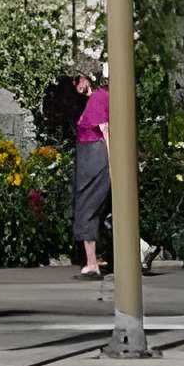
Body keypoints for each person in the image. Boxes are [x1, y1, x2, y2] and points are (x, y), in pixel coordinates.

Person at [71, 59, 110, 277]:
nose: (75, 84)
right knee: (96, 208)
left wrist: (112, 163)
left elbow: (105, 131)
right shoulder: (101, 96)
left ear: (88, 78)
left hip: (94, 159)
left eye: (78, 78)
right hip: (92, 158)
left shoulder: (97, 97)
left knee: (87, 206)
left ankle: (92, 262)